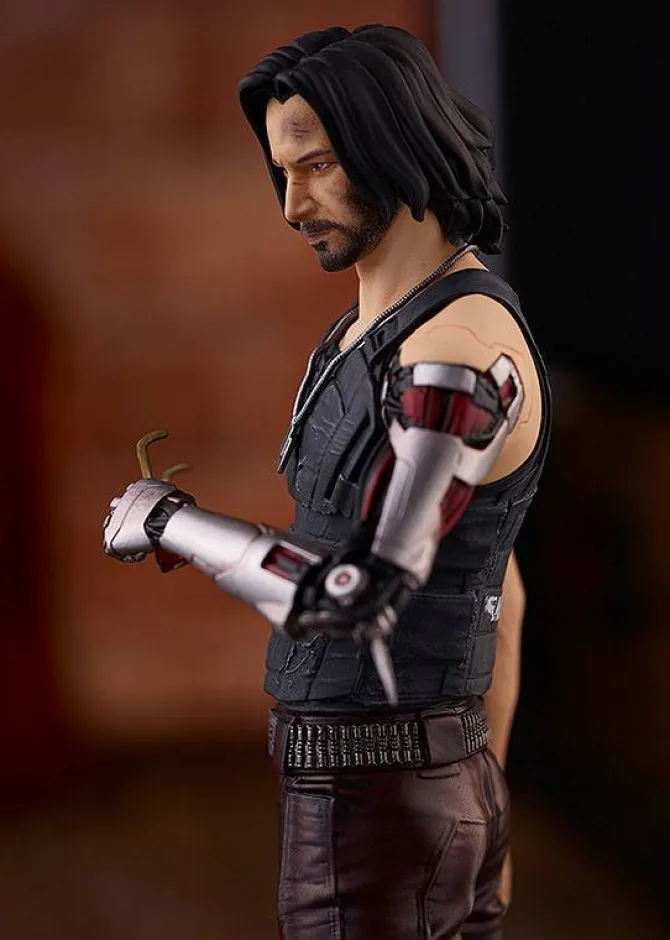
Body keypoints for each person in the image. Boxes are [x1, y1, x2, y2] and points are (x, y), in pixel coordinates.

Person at [103, 24, 551, 939]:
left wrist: (170, 521)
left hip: (384, 801)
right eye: (282, 172)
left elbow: (357, 597)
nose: (292, 204)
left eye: (316, 166)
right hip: (400, 791)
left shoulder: (458, 353)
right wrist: (485, 793)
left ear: (392, 145)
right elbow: (495, 584)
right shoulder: (371, 334)